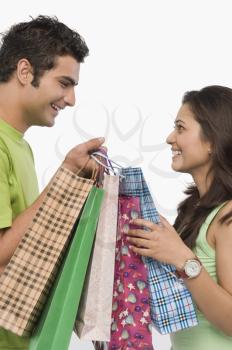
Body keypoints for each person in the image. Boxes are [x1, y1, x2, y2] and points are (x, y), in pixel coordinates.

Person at [0, 15, 104, 349]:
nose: (71, 99)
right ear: (25, 71)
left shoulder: (20, 147)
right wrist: (63, 179)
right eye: (64, 83)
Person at [127, 85, 232, 350]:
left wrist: (183, 259)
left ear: (212, 141)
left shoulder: (229, 219)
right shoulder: (193, 212)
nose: (170, 138)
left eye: (181, 128)